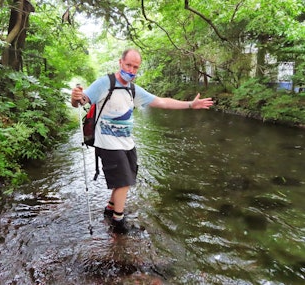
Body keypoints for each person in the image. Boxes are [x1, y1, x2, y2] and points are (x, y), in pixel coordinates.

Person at [71, 48, 213, 234]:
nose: (131, 70)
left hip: (128, 143)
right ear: (120, 62)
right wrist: (75, 99)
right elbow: (81, 101)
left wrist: (189, 105)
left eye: (135, 67)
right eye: (128, 65)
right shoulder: (105, 83)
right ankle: (118, 222)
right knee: (123, 181)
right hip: (108, 144)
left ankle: (110, 208)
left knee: (127, 179)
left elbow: (161, 102)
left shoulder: (133, 89)